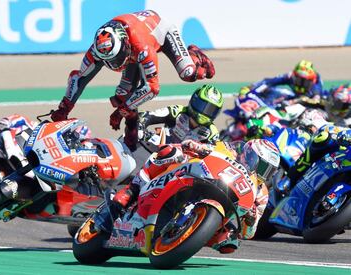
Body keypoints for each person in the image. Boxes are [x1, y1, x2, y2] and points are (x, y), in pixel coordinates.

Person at [50, 10, 215, 148]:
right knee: (123, 95)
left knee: (189, 73)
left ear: (125, 45)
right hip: (134, 48)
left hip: (159, 31)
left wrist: (121, 111)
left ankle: (193, 55)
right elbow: (79, 77)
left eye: (115, 58)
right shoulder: (97, 49)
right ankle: (131, 140)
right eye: (107, 61)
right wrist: (64, 108)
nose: (113, 64)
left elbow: (152, 88)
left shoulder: (141, 46)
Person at [101, 138, 279, 254]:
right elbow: (197, 145)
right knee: (169, 152)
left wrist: (250, 219)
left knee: (229, 243)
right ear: (249, 155)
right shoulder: (229, 150)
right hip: (198, 179)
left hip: (223, 210)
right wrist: (196, 146)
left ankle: (181, 236)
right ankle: (131, 190)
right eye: (262, 166)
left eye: (269, 171)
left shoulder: (261, 194)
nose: (264, 174)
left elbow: (249, 233)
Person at [138, 84, 223, 145]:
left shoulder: (212, 133)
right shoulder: (177, 111)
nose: (205, 113)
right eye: (202, 106)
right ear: (194, 100)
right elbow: (145, 116)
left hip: (183, 166)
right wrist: (140, 128)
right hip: (158, 154)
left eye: (211, 110)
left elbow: (216, 154)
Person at [242, 60, 325, 108]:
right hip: (294, 99)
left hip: (310, 105)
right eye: (299, 79)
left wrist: (295, 101)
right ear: (294, 76)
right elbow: (269, 81)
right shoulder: (289, 76)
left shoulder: (316, 83)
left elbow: (315, 99)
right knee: (273, 92)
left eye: (306, 81)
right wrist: (251, 87)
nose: (302, 83)